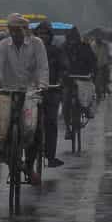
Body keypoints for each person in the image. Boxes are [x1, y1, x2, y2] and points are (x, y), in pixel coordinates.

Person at [0, 14, 49, 182]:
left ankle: (28, 166)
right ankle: (12, 161)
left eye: (18, 30)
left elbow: (43, 67)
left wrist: (42, 85)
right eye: (12, 30)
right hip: (7, 90)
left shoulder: (37, 44)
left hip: (30, 92)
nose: (15, 34)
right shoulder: (3, 46)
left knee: (36, 129)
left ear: (26, 30)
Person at [32, 21, 69, 168]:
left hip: (52, 90)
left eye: (45, 34)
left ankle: (51, 156)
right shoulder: (30, 51)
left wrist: (61, 79)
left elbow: (64, 67)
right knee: (28, 123)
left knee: (51, 122)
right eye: (40, 34)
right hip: (33, 90)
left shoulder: (56, 51)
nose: (43, 36)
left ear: (50, 36)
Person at [62, 27, 98, 137]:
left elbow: (93, 61)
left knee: (88, 98)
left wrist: (92, 72)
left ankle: (87, 110)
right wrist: (63, 72)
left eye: (74, 39)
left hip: (84, 79)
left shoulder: (85, 47)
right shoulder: (64, 48)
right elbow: (61, 62)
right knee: (66, 104)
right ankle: (68, 128)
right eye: (70, 39)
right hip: (69, 80)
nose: (72, 41)